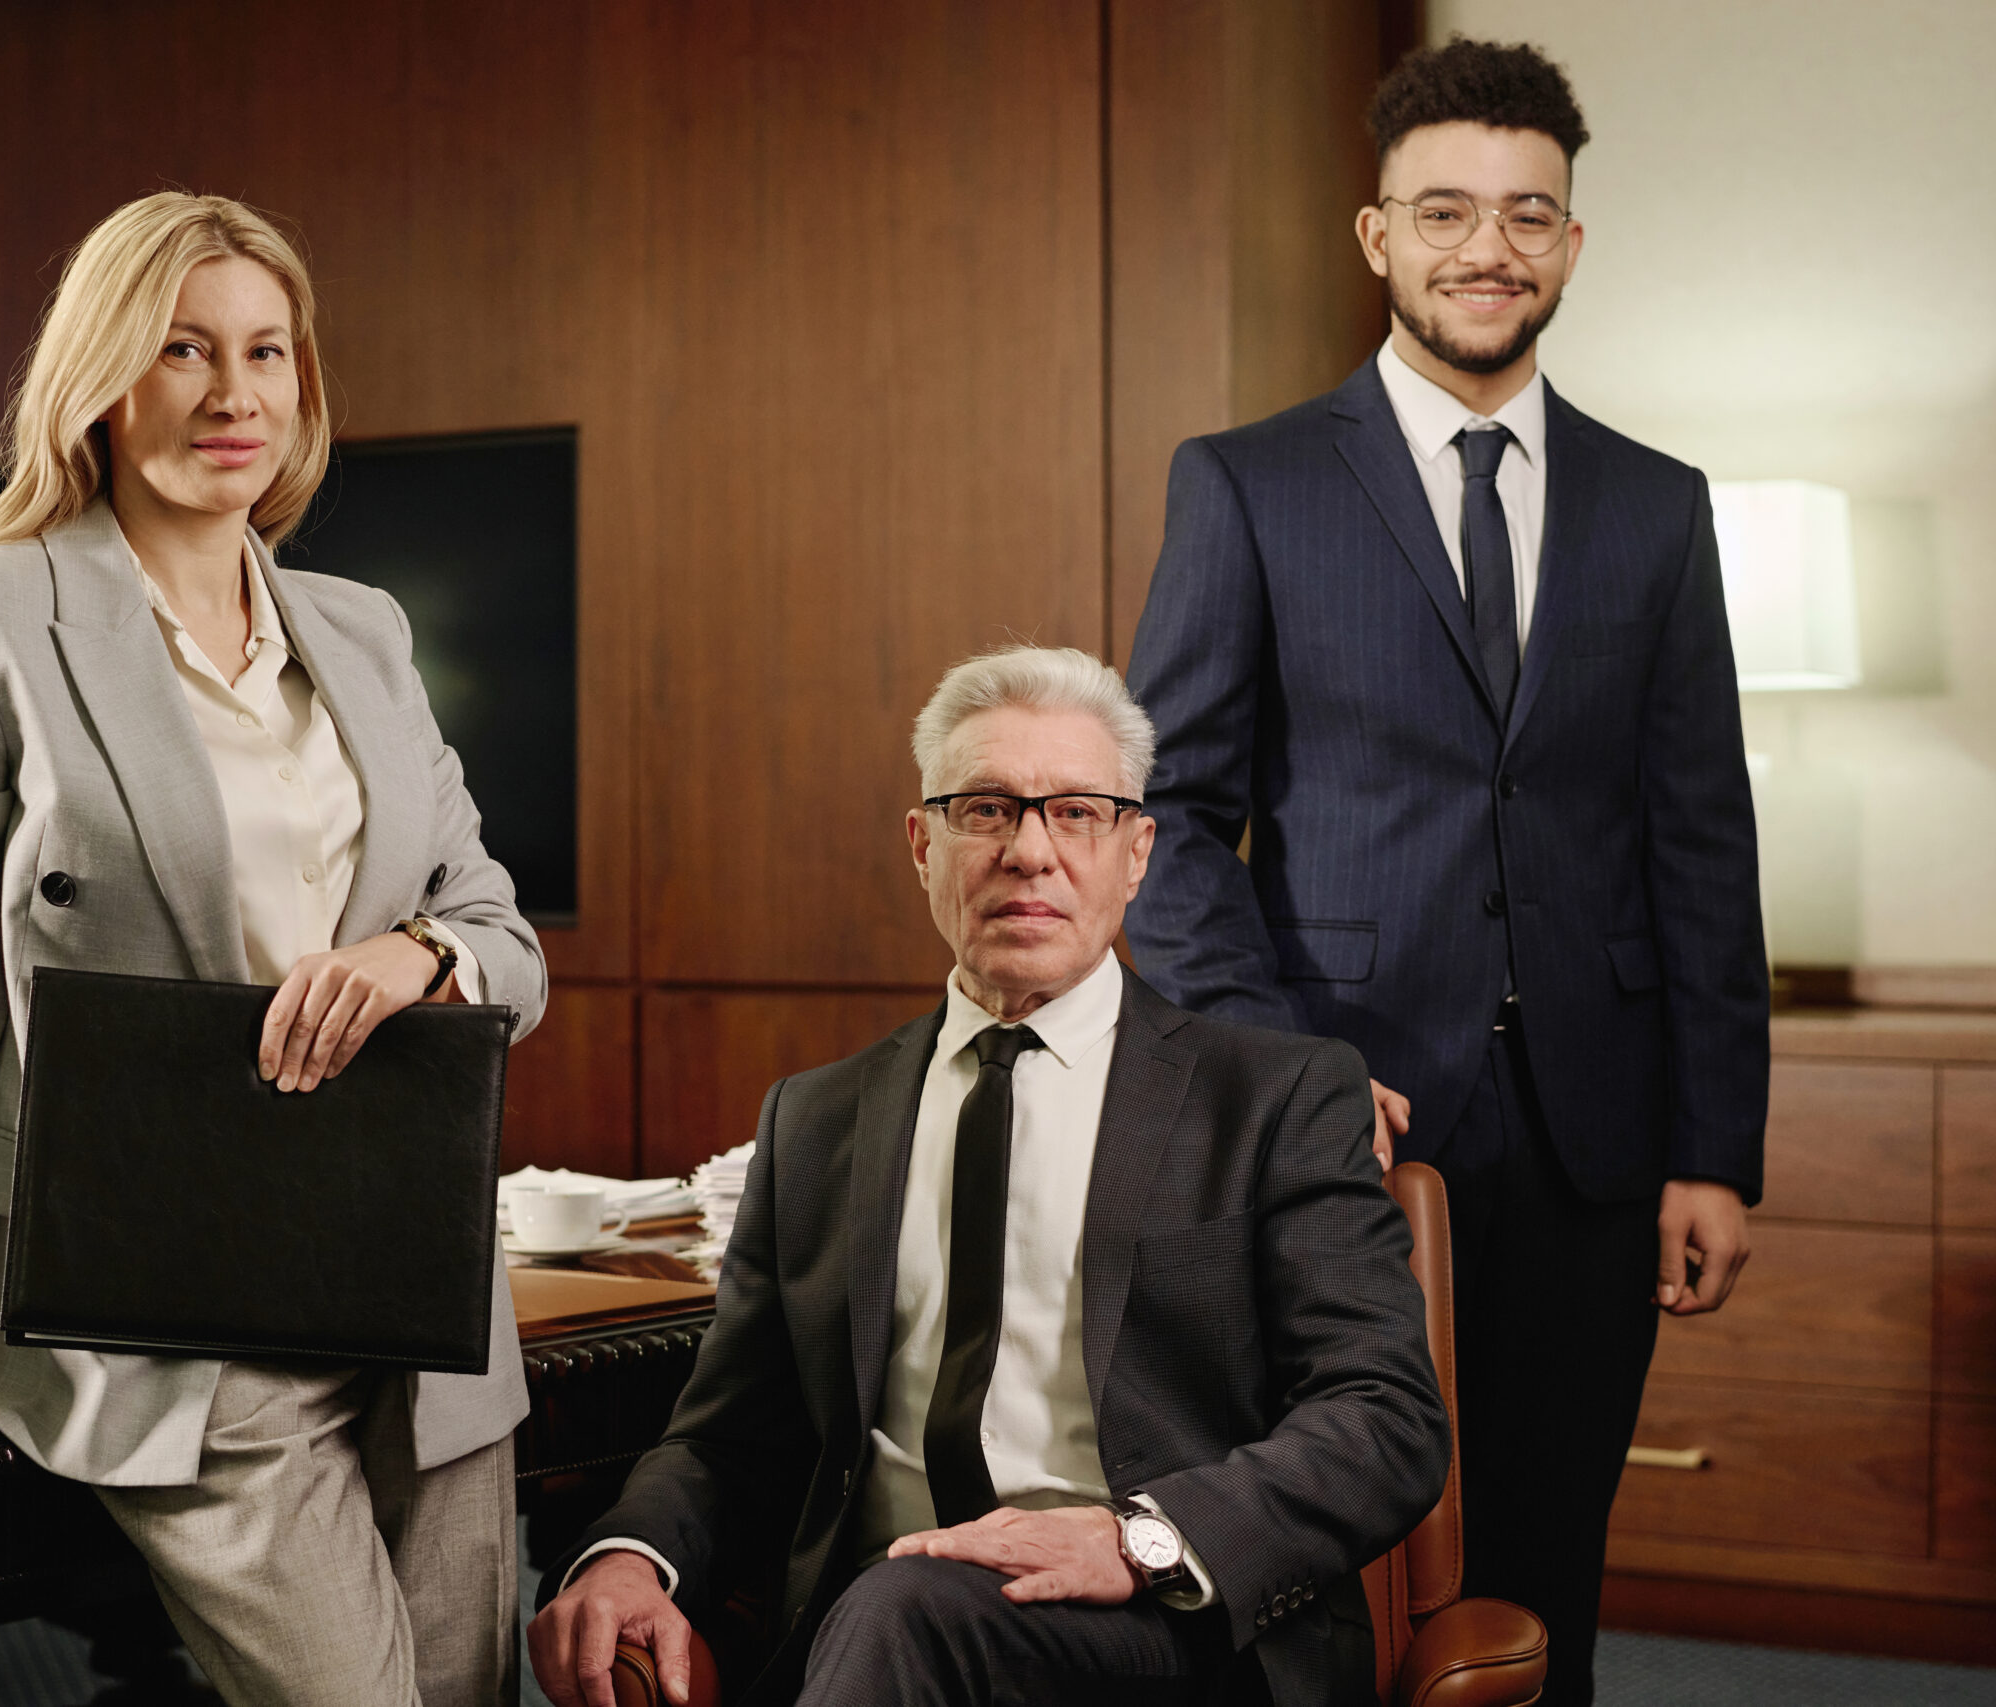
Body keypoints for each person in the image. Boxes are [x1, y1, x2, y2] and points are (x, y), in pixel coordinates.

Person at [0, 192, 547, 1707]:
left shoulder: (364, 628)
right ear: (102, 376)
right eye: (184, 349)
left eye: (268, 351)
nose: (235, 394)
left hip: (405, 1271)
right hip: (166, 1295)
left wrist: (417, 951)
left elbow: (501, 932)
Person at [1119, 38, 1768, 1703]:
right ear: (1377, 235)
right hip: (1344, 1130)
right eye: (1448, 211)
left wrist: (1716, 1148)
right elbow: (1172, 813)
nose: (1490, 247)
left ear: (1569, 240)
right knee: (1319, 1569)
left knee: (1547, 1571)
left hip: (1593, 1140)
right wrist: (1289, 1072)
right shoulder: (1247, 484)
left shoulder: (1658, 506)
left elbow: (1700, 839)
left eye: (1529, 214)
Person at [530, 646, 1448, 1707]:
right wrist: (628, 1555)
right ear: (922, 846)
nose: (1029, 852)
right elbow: (731, 1433)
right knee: (891, 1607)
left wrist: (1142, 1542)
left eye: (1077, 814)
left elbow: (1385, 1416)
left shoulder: (1275, 1096)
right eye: (986, 810)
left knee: (896, 1610)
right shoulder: (816, 1119)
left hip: (1170, 1629)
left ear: (1136, 852)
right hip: (883, 1625)